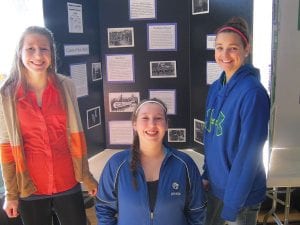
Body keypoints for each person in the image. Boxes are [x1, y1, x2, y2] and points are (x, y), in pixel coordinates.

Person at [0, 26, 98, 225]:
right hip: (30, 186)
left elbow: (77, 135)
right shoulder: (7, 93)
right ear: (19, 52)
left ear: (52, 53)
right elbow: (7, 146)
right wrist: (11, 194)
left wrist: (86, 176)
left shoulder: (66, 85)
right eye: (30, 49)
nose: (38, 55)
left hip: (67, 179)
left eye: (44, 49)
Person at [202, 17, 270, 225]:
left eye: (232, 48)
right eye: (219, 48)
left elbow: (249, 154)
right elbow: (210, 137)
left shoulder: (253, 93)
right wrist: (206, 173)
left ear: (246, 49)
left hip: (241, 196)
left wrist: (233, 203)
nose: (224, 55)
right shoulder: (215, 87)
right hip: (215, 187)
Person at [96, 98, 206, 225]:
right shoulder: (116, 164)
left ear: (166, 125)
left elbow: (197, 211)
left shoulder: (185, 164)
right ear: (134, 124)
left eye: (158, 118)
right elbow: (104, 209)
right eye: (145, 118)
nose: (152, 124)